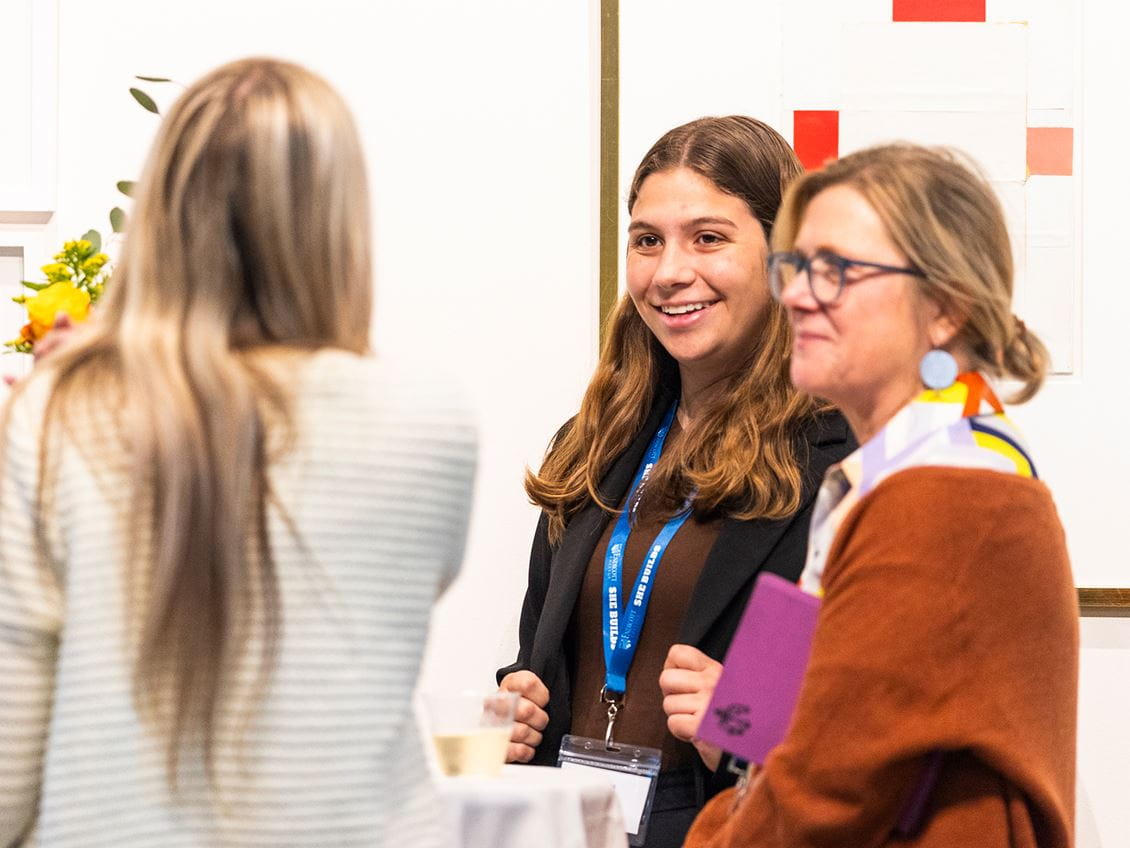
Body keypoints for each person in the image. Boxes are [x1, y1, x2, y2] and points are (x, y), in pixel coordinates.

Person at [0, 58, 476, 848]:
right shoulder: (435, 420)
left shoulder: (59, 411)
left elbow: (10, 758)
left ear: (161, 210)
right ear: (339, 220)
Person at [681, 143, 1078, 847]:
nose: (797, 295)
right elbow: (775, 745)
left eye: (835, 270)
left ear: (946, 307)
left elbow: (825, 794)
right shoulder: (887, 475)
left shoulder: (947, 496)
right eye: (796, 266)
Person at [497, 116, 854, 847]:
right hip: (569, 821)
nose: (668, 272)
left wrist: (744, 721)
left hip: (720, 825)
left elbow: (868, 709)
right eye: (647, 239)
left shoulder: (834, 458)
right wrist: (520, 704)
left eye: (709, 238)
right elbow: (549, 644)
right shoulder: (594, 443)